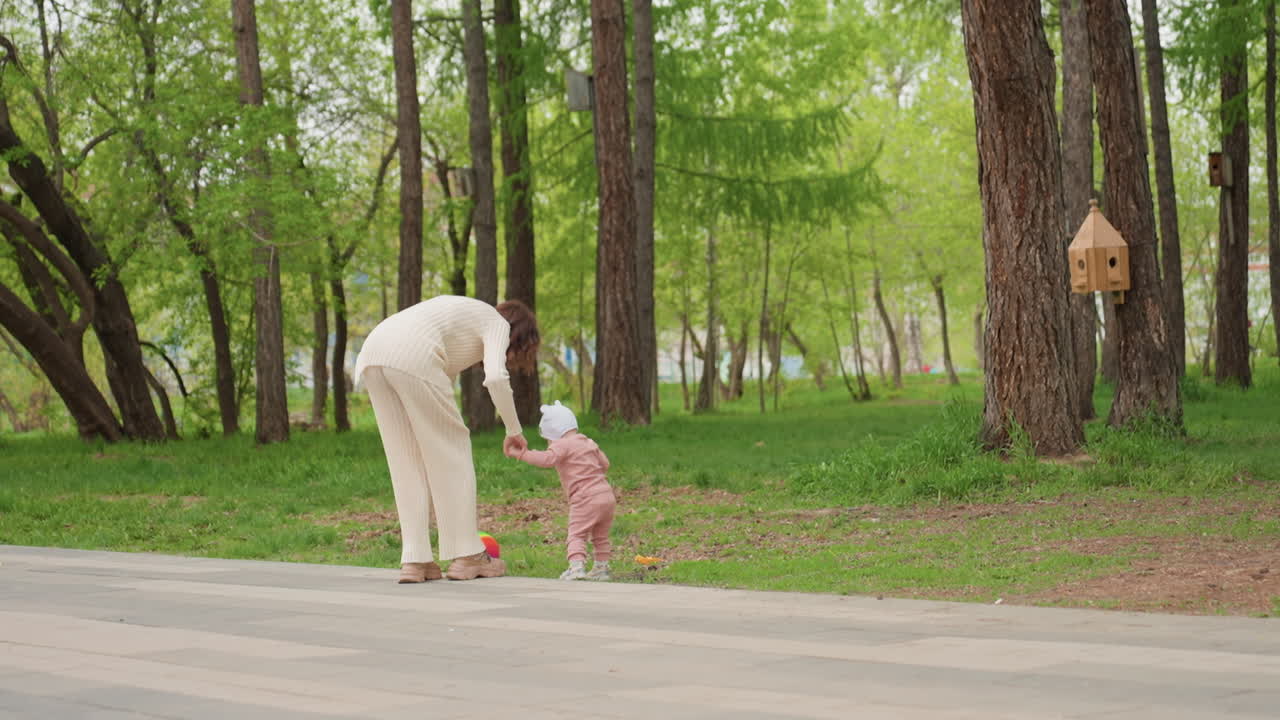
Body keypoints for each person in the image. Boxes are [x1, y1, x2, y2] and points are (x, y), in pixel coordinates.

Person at [354, 295, 537, 583]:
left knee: (406, 460)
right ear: (520, 333)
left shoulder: (466, 319)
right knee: (453, 450)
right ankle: (469, 556)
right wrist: (514, 430)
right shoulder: (497, 322)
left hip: (373, 353)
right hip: (411, 354)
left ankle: (416, 562)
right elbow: (497, 379)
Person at [505, 401, 615, 581]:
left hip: (584, 497)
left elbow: (547, 460)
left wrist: (522, 454)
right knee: (600, 535)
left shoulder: (562, 445)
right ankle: (601, 568)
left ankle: (577, 567)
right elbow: (605, 464)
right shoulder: (588, 442)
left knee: (577, 533)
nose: (549, 443)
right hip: (606, 495)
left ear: (553, 432)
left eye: (548, 439)